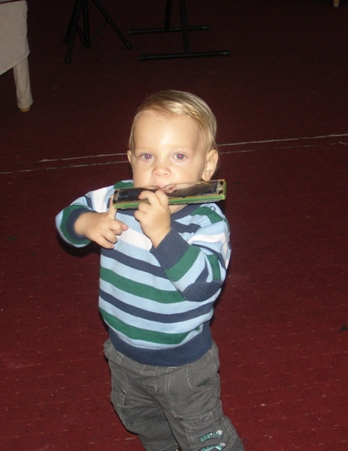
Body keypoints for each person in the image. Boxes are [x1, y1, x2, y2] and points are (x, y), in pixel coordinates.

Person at [55, 90, 243, 451]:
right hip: (123, 352)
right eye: (147, 156)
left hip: (183, 364)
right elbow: (66, 217)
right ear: (130, 160)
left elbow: (203, 286)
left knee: (203, 436)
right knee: (145, 424)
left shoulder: (207, 223)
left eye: (178, 156)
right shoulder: (118, 198)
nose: (160, 169)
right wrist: (86, 223)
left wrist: (162, 234)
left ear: (207, 165)